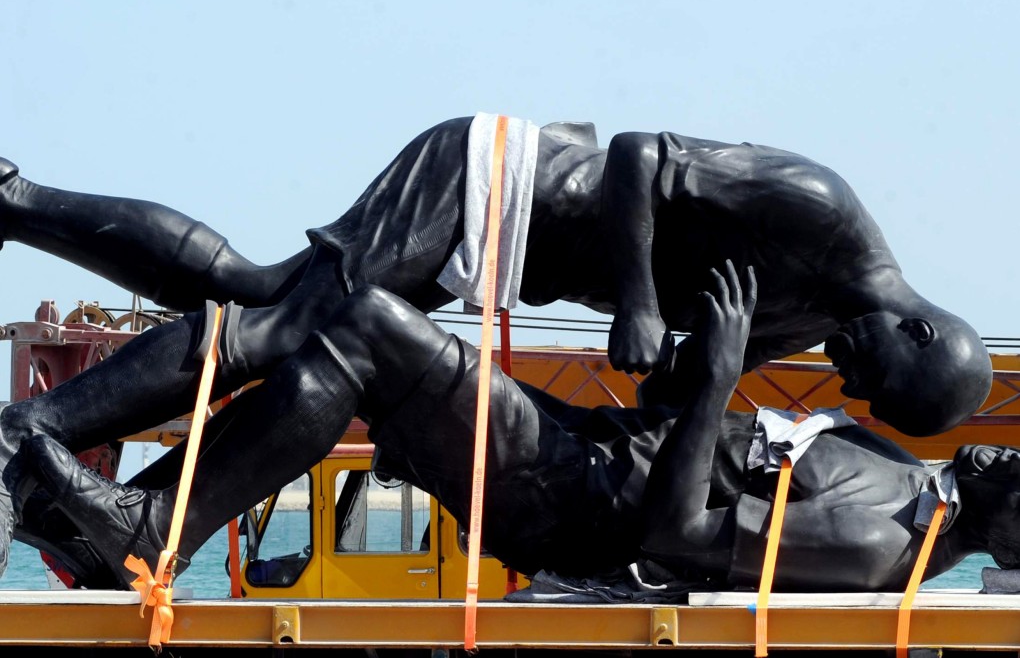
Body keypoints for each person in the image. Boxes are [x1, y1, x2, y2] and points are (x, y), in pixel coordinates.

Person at [0, 115, 992, 579]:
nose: (850, 385)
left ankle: (19, 206)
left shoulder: (808, 321)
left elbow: (690, 375)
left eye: (865, 403)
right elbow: (641, 156)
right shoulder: (824, 213)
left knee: (259, 296)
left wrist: (699, 370)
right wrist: (641, 304)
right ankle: (44, 441)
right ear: (920, 331)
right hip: (499, 184)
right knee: (279, 323)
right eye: (876, 378)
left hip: (509, 255)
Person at [18, 264, 1017, 593]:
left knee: (365, 319)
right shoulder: (901, 474)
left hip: (577, 500)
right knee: (342, 326)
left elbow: (678, 536)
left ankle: (151, 526)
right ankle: (143, 520)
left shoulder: (884, 539)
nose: (1009, 450)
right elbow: (710, 463)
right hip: (584, 448)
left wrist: (716, 378)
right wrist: (684, 375)